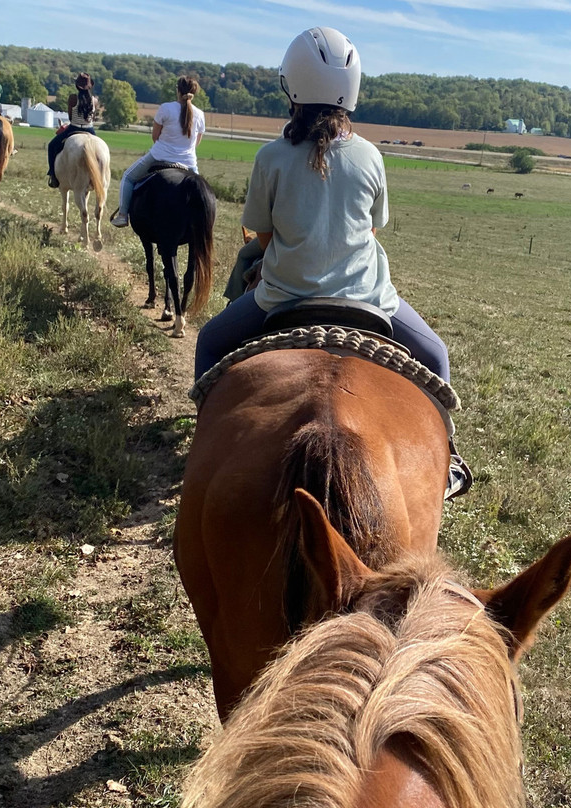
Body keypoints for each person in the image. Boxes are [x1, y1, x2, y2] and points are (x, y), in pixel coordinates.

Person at [194, 27, 468, 497]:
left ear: (292, 88)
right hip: (369, 301)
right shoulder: (370, 156)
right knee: (436, 356)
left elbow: (262, 235)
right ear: (351, 93)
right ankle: (449, 462)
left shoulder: (271, 157)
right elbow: (373, 227)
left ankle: (204, 439)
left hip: (282, 297)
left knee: (208, 342)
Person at [110, 75, 205, 227]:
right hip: (188, 162)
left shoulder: (165, 108)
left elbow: (155, 137)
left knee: (128, 177)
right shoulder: (200, 114)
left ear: (177, 91)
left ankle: (122, 215)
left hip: (159, 156)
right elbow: (196, 144)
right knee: (202, 193)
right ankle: (204, 225)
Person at [47, 73, 98, 188]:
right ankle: (96, 177)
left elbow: (70, 117)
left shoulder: (73, 98)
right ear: (90, 86)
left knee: (52, 146)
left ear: (77, 86)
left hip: (74, 128)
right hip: (89, 129)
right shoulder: (95, 101)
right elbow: (93, 118)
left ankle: (53, 175)